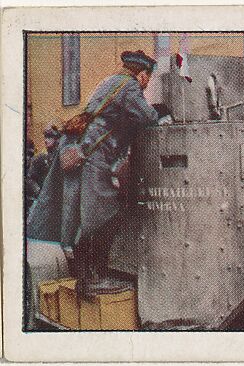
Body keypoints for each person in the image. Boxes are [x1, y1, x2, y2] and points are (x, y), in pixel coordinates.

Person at [27, 50, 160, 297]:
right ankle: (92, 279)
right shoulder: (128, 86)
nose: (146, 84)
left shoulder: (110, 82)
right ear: (141, 74)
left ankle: (85, 276)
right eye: (147, 79)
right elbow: (146, 116)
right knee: (103, 215)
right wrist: (160, 112)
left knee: (82, 215)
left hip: (83, 152)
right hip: (94, 157)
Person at [25, 125, 62, 210]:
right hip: (41, 200)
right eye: (45, 137)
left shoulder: (60, 159)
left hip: (57, 200)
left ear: (56, 139)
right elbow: (30, 178)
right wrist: (39, 192)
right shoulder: (40, 158)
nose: (46, 140)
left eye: (49, 137)